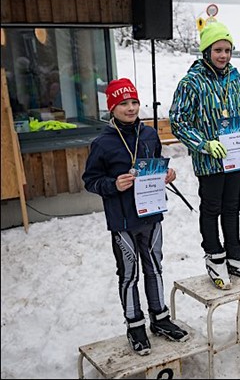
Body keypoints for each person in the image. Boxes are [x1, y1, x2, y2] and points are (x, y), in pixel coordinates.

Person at [82, 78, 189, 356]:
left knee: (154, 267)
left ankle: (160, 318)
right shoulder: (102, 143)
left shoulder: (150, 134)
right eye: (123, 103)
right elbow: (90, 180)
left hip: (151, 215)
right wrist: (113, 185)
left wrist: (166, 175)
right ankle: (135, 324)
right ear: (112, 107)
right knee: (129, 273)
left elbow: (155, 164)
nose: (131, 108)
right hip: (123, 221)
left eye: (134, 102)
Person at [169, 21, 240, 290]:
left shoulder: (238, 81)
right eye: (218, 50)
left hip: (237, 157)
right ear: (206, 51)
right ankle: (215, 255)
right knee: (212, 207)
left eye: (228, 50)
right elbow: (179, 121)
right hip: (210, 159)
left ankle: (235, 254)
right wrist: (204, 144)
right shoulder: (191, 82)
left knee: (232, 206)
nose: (223, 55)